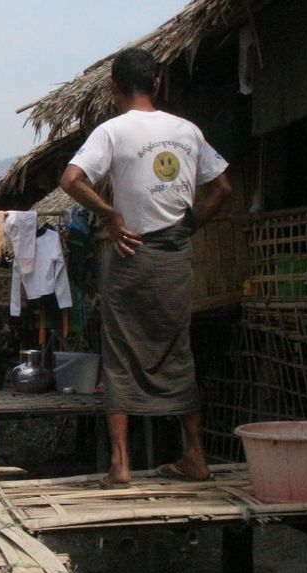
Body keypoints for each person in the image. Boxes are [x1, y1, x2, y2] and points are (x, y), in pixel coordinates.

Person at [59, 47, 233, 487]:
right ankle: (195, 457)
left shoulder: (112, 131)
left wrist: (109, 215)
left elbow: (71, 180)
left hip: (130, 254)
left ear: (114, 87)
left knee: (120, 353)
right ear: (156, 83)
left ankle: (120, 464)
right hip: (174, 257)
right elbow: (222, 188)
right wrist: (190, 225)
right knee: (177, 349)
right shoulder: (187, 131)